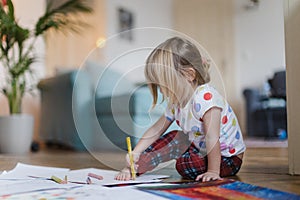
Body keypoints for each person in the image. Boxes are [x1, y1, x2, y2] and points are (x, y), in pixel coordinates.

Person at [115, 37, 246, 182]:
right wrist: (136, 152)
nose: (162, 90)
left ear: (189, 75)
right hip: (200, 148)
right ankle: (135, 168)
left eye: (166, 84)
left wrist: (213, 171)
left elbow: (212, 137)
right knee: (174, 137)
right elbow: (156, 130)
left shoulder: (206, 98)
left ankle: (204, 165)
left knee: (184, 165)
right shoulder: (176, 102)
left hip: (227, 158)